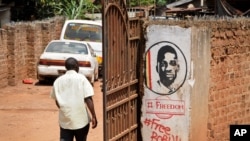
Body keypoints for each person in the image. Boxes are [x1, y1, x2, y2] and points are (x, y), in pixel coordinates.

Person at [50, 57, 97, 141]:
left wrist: (65, 110)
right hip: (81, 121)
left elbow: (57, 101)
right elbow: (88, 99)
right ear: (76, 66)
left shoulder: (58, 81)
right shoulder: (81, 79)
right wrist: (93, 116)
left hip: (65, 121)